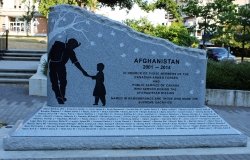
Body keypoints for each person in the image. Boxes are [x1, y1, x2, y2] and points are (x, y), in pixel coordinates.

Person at [48, 38, 89, 104]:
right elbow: (76, 62)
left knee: (57, 81)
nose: (74, 48)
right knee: (60, 81)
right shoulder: (68, 50)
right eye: (74, 46)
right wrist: (83, 71)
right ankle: (60, 96)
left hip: (53, 65)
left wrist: (83, 71)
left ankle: (59, 96)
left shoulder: (59, 46)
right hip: (59, 66)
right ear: (70, 44)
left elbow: (49, 55)